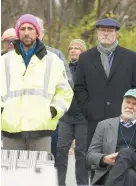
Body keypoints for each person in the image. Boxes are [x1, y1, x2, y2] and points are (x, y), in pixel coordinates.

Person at [0, 14, 73, 152]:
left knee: (38, 173)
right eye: (22, 29)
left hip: (41, 132)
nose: (26, 32)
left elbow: (65, 92)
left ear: (37, 32)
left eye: (30, 28)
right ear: (17, 32)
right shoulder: (4, 61)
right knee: (12, 174)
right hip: (10, 132)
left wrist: (53, 111)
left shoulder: (53, 60)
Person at [74, 18, 136, 148]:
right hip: (94, 121)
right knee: (95, 162)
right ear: (97, 32)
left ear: (116, 33)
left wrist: (129, 111)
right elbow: (79, 88)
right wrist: (88, 108)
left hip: (123, 121)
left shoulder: (130, 57)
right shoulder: (85, 58)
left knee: (122, 162)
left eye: (109, 31)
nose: (105, 34)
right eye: (102, 30)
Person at [87, 88, 136, 186]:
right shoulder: (104, 125)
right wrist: (105, 159)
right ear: (122, 103)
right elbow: (90, 156)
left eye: (135, 104)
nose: (130, 106)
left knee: (126, 152)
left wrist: (134, 154)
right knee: (130, 175)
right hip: (111, 169)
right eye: (128, 102)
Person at [35, 16, 73, 158]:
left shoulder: (56, 55)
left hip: (49, 122)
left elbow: (68, 84)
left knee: (49, 165)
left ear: (43, 33)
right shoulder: (13, 57)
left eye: (36, 29)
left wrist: (52, 111)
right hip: (20, 125)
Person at [55, 39, 88, 186]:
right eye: (71, 48)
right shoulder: (63, 68)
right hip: (66, 117)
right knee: (61, 151)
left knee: (82, 154)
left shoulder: (89, 69)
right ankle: (59, 183)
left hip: (83, 118)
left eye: (77, 48)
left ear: (83, 51)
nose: (73, 50)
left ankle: (82, 184)